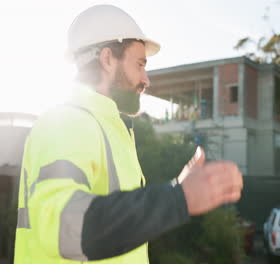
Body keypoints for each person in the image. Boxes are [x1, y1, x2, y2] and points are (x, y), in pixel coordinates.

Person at [14, 5, 243, 263]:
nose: (147, 79)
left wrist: (178, 189)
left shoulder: (112, 129)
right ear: (108, 59)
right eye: (139, 64)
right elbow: (62, 228)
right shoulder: (68, 121)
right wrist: (179, 198)